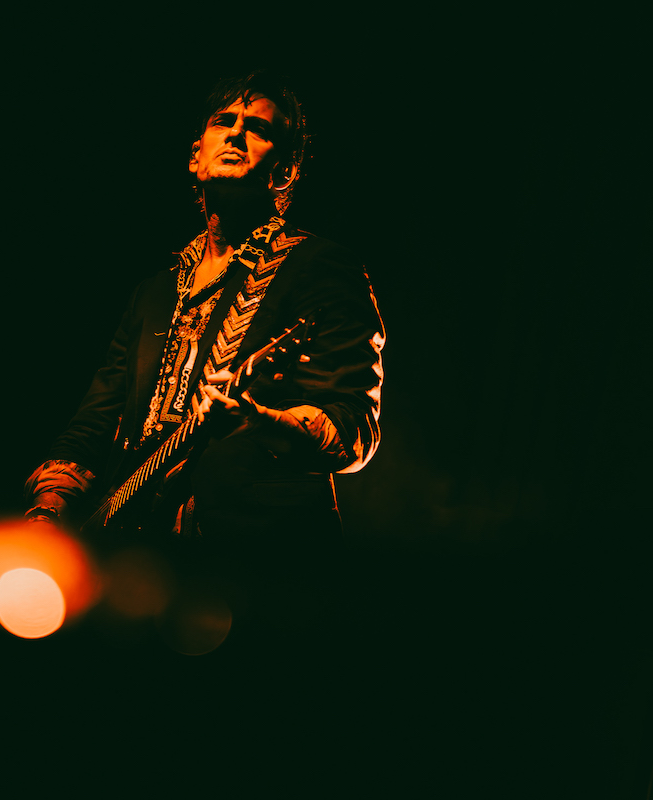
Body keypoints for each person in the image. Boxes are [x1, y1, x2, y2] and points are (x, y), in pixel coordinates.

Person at [25, 72, 385, 556]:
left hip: (260, 559)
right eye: (223, 121)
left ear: (285, 171)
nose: (236, 133)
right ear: (196, 155)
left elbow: (352, 430)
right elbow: (95, 420)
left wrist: (259, 420)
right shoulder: (154, 291)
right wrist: (47, 513)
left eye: (258, 129)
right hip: (137, 554)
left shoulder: (321, 268)